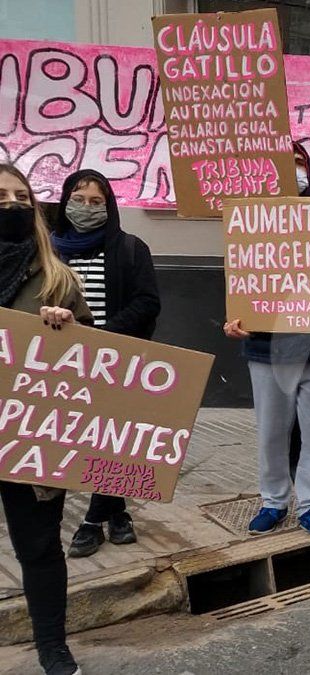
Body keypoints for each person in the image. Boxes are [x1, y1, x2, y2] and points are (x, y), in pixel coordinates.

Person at [0, 163, 92, 675]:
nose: (11, 205)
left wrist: (69, 328)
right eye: (0, 197)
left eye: (20, 197)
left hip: (32, 437)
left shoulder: (58, 277)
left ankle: (52, 645)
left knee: (38, 546)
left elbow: (99, 362)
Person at [223, 144, 310, 545]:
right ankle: (273, 501)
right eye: (284, 166)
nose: (294, 173)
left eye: (300, 164)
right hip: (266, 348)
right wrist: (236, 321)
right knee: (272, 430)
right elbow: (241, 280)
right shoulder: (252, 220)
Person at [50, 169, 160, 558]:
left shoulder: (130, 248)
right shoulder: (48, 251)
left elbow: (148, 302)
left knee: (109, 443)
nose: (86, 208)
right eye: (79, 199)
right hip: (61, 365)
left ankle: (94, 520)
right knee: (72, 440)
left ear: (109, 207)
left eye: (97, 202)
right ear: (65, 202)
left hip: (115, 361)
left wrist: (106, 335)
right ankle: (119, 513)